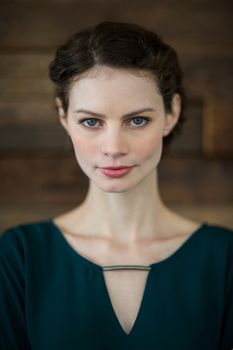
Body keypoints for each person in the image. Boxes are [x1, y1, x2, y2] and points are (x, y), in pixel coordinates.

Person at [0, 21, 232, 350]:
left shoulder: (224, 259)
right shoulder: (19, 257)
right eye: (91, 121)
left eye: (137, 120)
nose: (114, 147)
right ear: (64, 117)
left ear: (171, 113)